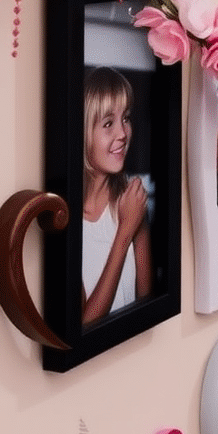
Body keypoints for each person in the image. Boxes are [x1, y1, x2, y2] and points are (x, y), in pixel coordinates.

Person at [82, 67, 152, 324]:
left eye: (126, 118)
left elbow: (146, 311)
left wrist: (132, 223)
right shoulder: (63, 216)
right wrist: (125, 231)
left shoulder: (131, 204)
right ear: (83, 132)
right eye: (108, 123)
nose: (122, 133)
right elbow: (84, 326)